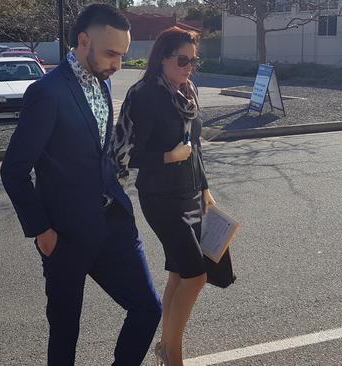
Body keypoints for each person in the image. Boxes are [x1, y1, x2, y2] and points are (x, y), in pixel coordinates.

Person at [0, 4, 161, 365]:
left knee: (148, 308)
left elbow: (98, 151)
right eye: (110, 53)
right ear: (83, 41)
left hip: (113, 226)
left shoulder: (103, 84)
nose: (117, 64)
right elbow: (14, 169)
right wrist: (41, 229)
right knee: (65, 332)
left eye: (122, 54)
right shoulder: (48, 93)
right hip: (65, 236)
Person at [110, 27, 216, 366]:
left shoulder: (187, 90)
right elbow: (123, 153)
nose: (189, 67)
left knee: (179, 274)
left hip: (188, 192)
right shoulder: (144, 94)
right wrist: (166, 157)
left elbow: (194, 146)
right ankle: (172, 353)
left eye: (193, 61)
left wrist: (205, 189)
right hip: (160, 196)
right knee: (196, 276)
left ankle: (167, 348)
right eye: (182, 60)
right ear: (162, 58)